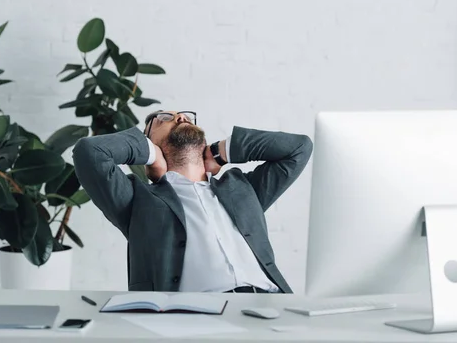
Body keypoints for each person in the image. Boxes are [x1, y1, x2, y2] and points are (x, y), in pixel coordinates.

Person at [72, 110, 313, 293]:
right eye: (164, 118)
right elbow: (90, 152)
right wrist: (152, 155)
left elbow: (299, 148)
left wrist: (220, 152)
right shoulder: (136, 199)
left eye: (187, 116)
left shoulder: (242, 188)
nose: (180, 118)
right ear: (148, 141)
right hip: (194, 318)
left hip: (271, 304)